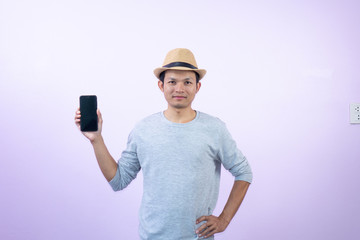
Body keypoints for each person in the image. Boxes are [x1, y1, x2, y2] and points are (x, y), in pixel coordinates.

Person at [74, 48, 253, 240]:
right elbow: (118, 180)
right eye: (172, 82)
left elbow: (244, 172)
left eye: (187, 82)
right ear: (161, 85)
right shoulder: (143, 129)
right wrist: (97, 139)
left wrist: (224, 219)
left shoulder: (214, 129)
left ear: (197, 87)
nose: (179, 89)